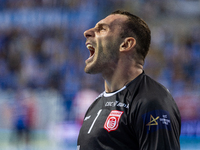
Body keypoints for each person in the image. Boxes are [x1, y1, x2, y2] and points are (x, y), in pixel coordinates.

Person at [77, 10, 181, 150]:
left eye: (102, 29)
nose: (87, 32)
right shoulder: (96, 105)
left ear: (125, 44)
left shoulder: (151, 101)